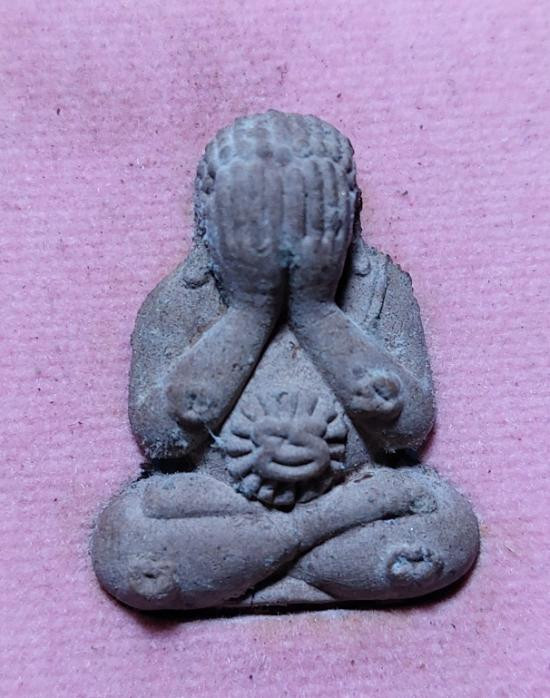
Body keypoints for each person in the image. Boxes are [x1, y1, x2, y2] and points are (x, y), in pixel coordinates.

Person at [92, 111, 479, 610]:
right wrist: (250, 310)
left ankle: (237, 571)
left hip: (340, 494)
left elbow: (406, 432)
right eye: (251, 222)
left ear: (350, 215)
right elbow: (163, 440)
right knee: (130, 530)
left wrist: (317, 309)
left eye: (312, 221)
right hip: (230, 502)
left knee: (442, 522)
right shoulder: (181, 299)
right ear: (208, 219)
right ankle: (314, 561)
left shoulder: (379, 290)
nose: (282, 242)